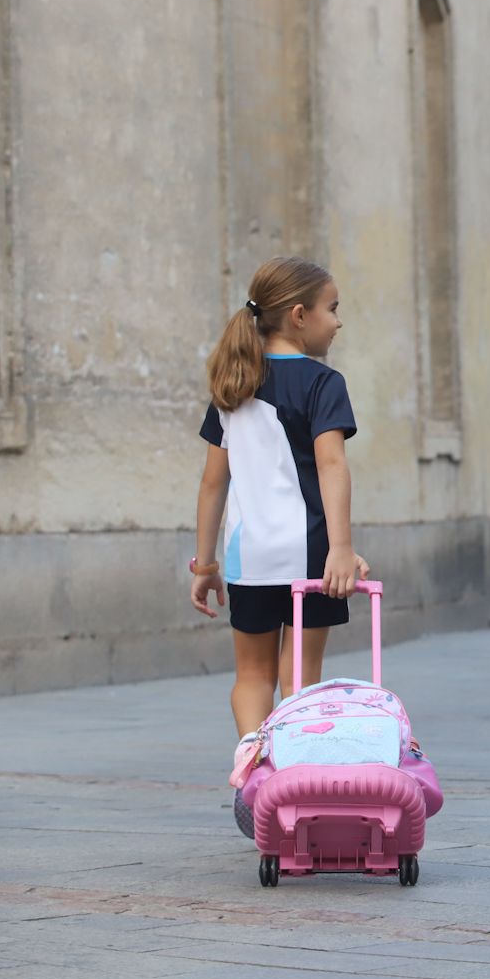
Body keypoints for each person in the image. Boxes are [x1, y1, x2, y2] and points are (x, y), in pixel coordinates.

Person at [189, 257, 370, 809]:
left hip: (247, 556)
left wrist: (206, 565)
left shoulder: (233, 382)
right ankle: (292, 781)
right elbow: (332, 466)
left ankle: (252, 750)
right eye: (332, 308)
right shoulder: (322, 383)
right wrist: (341, 548)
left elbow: (212, 484)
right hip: (308, 552)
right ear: (298, 315)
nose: (337, 321)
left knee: (252, 674)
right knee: (299, 676)